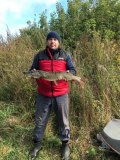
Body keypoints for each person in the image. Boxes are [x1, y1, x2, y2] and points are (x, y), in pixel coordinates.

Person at [29, 31, 77, 160]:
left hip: (61, 94)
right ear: (47, 42)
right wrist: (32, 72)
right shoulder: (39, 55)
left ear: (58, 42)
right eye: (50, 39)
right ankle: (37, 144)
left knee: (63, 121)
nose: (52, 41)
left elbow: (72, 70)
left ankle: (65, 145)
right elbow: (32, 70)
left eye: (55, 39)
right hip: (43, 95)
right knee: (40, 120)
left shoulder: (65, 55)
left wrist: (69, 73)